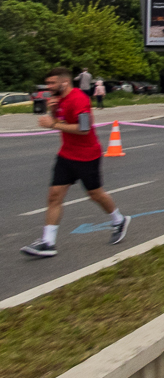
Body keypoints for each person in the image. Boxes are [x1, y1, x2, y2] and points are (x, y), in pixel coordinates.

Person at [20, 68, 130, 258]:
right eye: (48, 84)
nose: (49, 87)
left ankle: (118, 220)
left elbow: (84, 129)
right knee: (54, 196)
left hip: (87, 155)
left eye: (52, 83)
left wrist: (53, 124)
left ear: (65, 82)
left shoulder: (79, 99)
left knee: (95, 194)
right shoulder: (59, 99)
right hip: (66, 154)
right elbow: (60, 120)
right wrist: (53, 111)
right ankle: (48, 242)